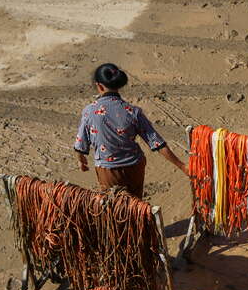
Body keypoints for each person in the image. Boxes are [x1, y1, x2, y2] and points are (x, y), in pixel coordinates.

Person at [74, 63, 188, 197]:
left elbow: (80, 145)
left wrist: (81, 161)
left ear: (99, 86)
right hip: (135, 167)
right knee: (136, 204)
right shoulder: (133, 111)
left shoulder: (89, 112)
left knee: (115, 209)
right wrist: (182, 166)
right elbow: (158, 144)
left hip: (108, 171)